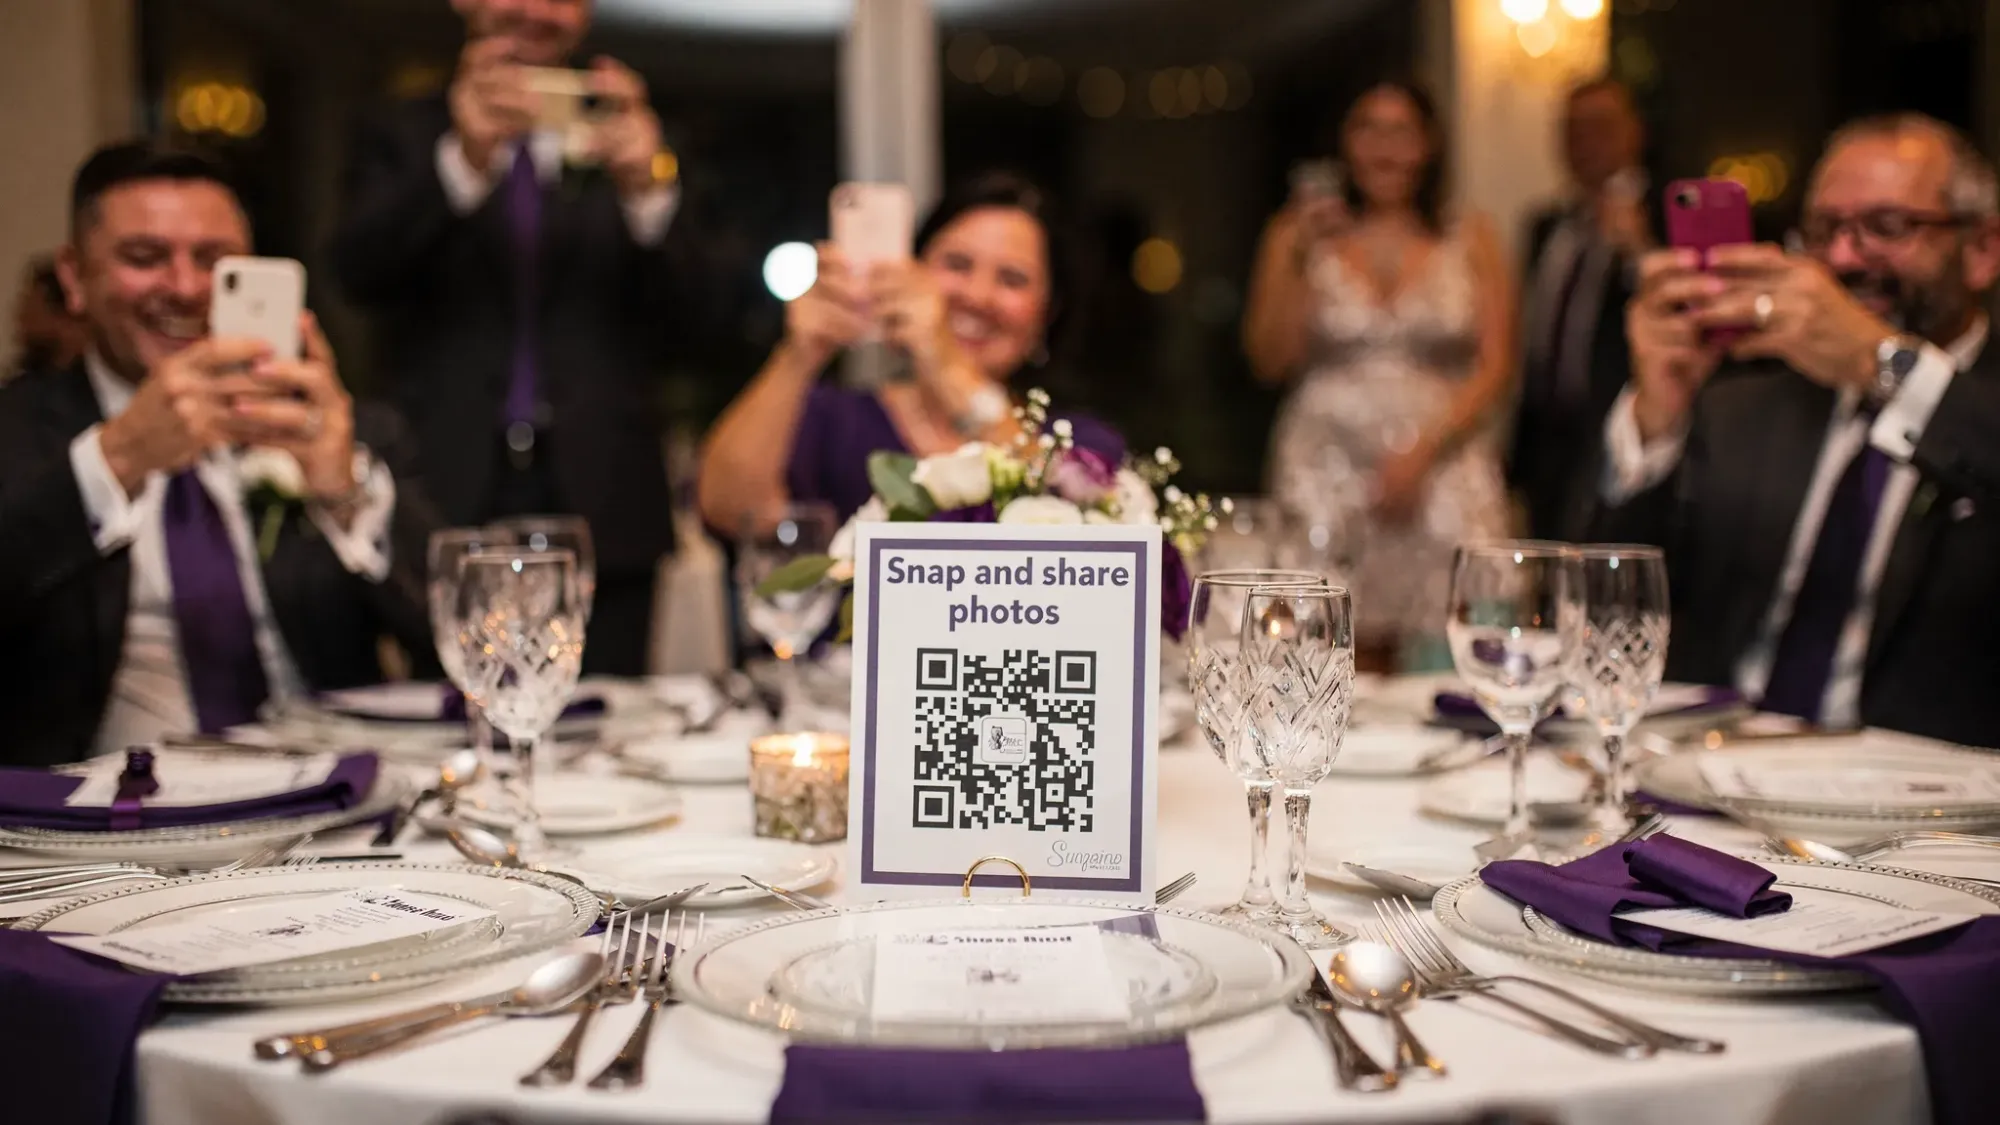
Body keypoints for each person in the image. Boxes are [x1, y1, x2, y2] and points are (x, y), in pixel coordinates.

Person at [0, 142, 439, 767]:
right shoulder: (17, 430)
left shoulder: (344, 427)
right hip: (111, 805)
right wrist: (114, 461)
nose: (185, 288)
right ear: (74, 278)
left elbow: (459, 642)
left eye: (214, 261)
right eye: (144, 258)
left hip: (331, 795)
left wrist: (345, 492)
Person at [1592, 113, 2000, 748]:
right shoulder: (1744, 408)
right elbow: (1605, 605)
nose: (1842, 257)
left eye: (1887, 227)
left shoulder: (1979, 413)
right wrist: (1658, 415)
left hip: (1931, 788)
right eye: (1823, 230)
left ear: (1982, 250)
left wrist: (1884, 365)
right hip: (1718, 767)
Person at [331, 0, 679, 675]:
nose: (534, 11)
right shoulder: (398, 128)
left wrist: (648, 189)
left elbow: (709, 314)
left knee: (608, 715)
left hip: (607, 497)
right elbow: (357, 274)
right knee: (452, 706)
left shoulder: (634, 128)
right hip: (442, 484)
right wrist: (462, 160)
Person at [1243, 79, 1517, 671]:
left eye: (1401, 131)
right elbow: (1269, 359)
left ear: (1428, 144)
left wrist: (1424, 451)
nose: (1385, 148)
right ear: (1344, 142)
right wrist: (1299, 256)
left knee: (1457, 649)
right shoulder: (1294, 234)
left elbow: (1497, 364)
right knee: (1323, 653)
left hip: (1442, 468)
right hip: (1325, 468)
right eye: (1368, 129)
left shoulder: (1470, 236)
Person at [698, 172, 1121, 532]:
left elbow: (1082, 522)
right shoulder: (834, 420)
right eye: (957, 264)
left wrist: (943, 359)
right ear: (913, 269)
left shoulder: (1078, 444)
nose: (977, 296)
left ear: (1048, 313)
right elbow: (730, 512)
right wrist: (799, 353)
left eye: (1012, 279)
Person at [1509, 78, 1654, 541]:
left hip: (1624, 432)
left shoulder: (1661, 216)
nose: (1586, 142)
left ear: (1635, 131)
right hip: (1548, 443)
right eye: (1573, 130)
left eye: (1600, 126)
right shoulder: (1546, 226)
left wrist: (1638, 251)